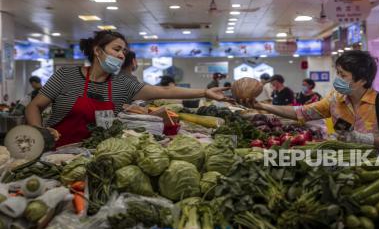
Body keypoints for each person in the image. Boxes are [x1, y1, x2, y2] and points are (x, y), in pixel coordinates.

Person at [25, 30, 229, 148]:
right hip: (56, 152)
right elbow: (34, 107)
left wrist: (204, 92)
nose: (122, 55)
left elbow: (164, 92)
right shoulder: (66, 75)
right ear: (97, 51)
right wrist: (39, 133)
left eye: (124, 51)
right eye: (116, 49)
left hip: (98, 155)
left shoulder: (123, 84)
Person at [240, 51, 379, 150]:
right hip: (343, 166)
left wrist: (363, 139)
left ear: (362, 80)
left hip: (377, 170)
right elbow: (300, 112)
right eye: (338, 74)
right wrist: (261, 106)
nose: (338, 79)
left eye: (343, 75)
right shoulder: (335, 99)